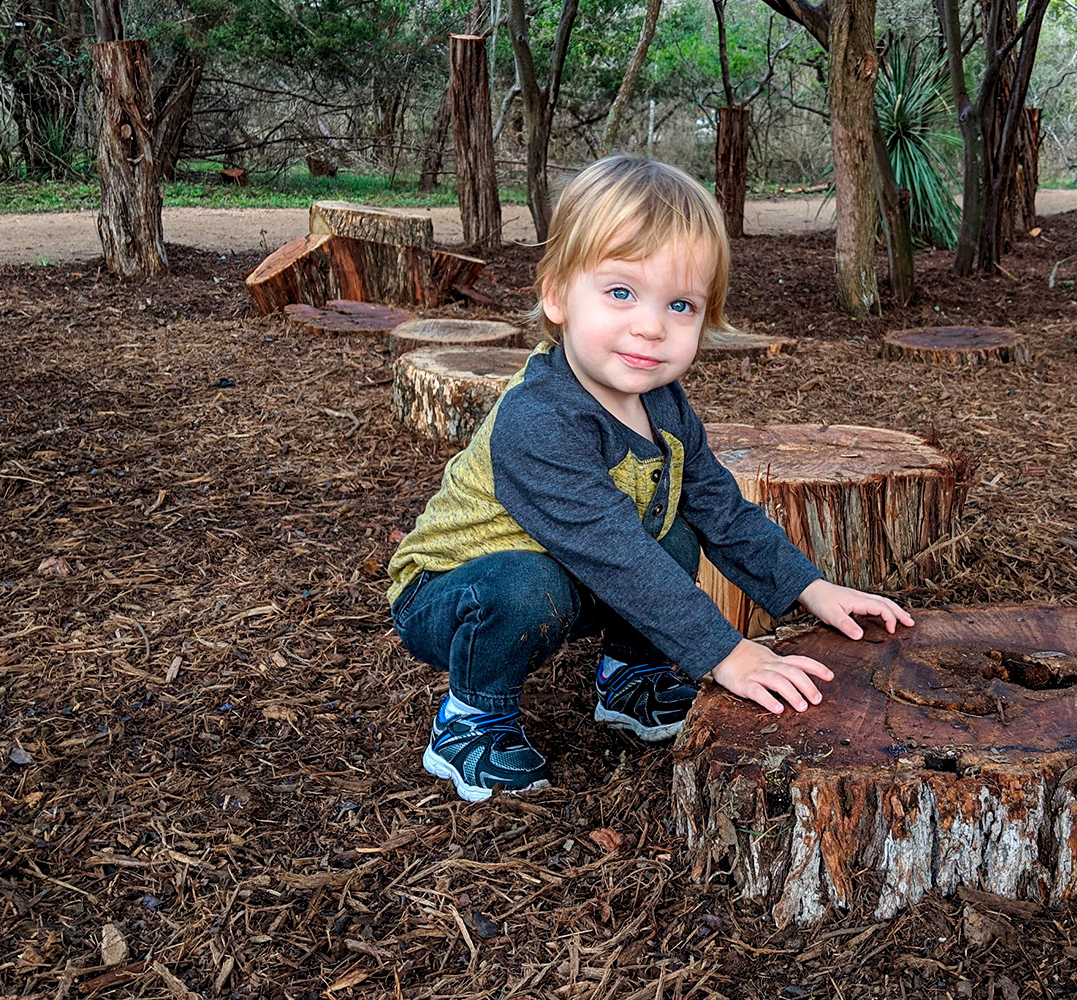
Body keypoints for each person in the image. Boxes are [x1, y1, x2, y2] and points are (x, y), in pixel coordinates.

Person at [386, 156, 913, 803]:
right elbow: (614, 553)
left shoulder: (663, 402)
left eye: (681, 303)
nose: (650, 326)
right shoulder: (539, 419)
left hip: (569, 575)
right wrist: (725, 652)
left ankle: (630, 680)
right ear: (556, 296)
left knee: (676, 531)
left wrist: (808, 587)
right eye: (620, 292)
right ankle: (471, 721)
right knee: (529, 585)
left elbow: (721, 506)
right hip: (455, 593)